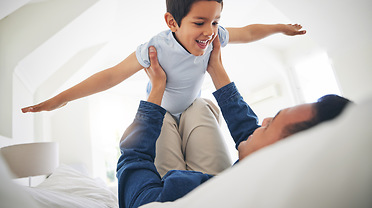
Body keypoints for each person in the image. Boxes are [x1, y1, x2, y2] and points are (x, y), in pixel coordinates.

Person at [21, 0, 305, 175]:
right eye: (200, 22)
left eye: (216, 21)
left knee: (209, 148)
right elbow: (110, 76)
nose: (209, 31)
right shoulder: (156, 48)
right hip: (162, 113)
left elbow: (249, 32)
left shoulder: (215, 37)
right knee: (167, 167)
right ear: (172, 21)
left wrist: (280, 28)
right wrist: (62, 98)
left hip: (194, 106)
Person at [116, 37, 351, 208]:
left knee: (164, 116)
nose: (264, 120)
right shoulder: (269, 172)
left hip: (168, 191)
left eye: (271, 124)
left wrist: (157, 92)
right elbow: (250, 133)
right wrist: (216, 68)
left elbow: (135, 178)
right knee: (199, 105)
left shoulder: (206, 196)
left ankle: (165, 111)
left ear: (282, 155)